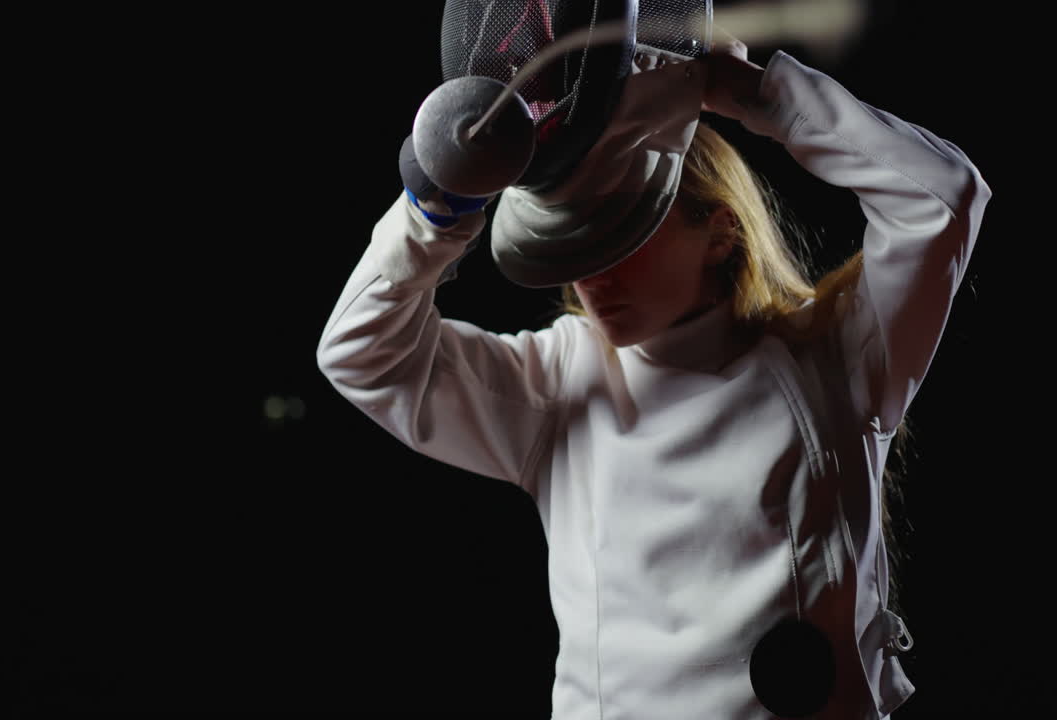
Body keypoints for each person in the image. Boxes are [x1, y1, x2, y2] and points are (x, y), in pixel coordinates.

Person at [317, 30, 989, 720]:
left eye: (620, 235)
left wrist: (750, 90)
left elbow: (941, 198)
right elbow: (361, 354)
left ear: (720, 232)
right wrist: (439, 208)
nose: (589, 276)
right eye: (572, 243)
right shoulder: (557, 379)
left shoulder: (835, 356)